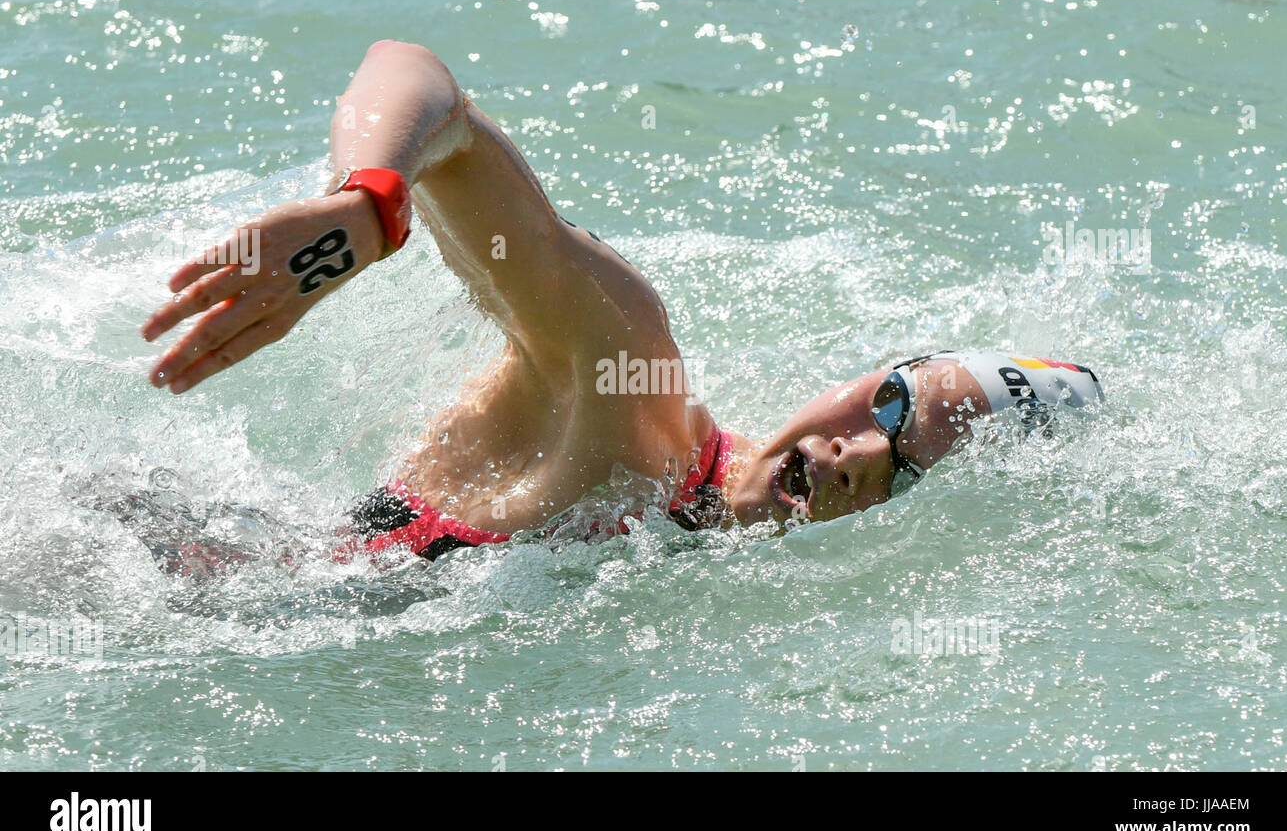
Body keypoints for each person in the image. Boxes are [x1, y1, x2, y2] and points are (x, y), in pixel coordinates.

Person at [140, 40, 1102, 564]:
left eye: (908, 466)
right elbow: (428, 89)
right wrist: (372, 202)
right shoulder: (633, 393)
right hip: (144, 565)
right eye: (890, 406)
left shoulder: (693, 561)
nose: (854, 454)